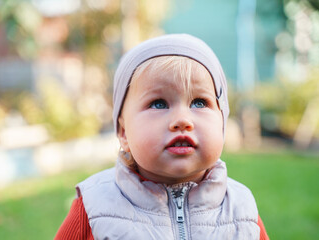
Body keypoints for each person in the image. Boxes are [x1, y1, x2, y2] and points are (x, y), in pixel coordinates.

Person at [55, 34, 269, 240]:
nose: (182, 120)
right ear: (123, 132)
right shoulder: (95, 208)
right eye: (158, 103)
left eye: (199, 102)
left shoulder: (242, 211)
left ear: (222, 121)